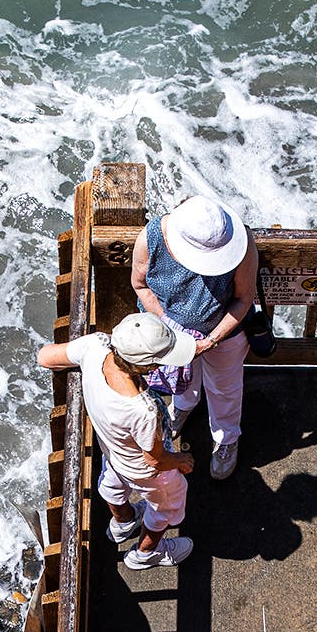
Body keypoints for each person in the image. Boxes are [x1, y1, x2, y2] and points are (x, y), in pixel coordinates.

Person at [37, 312, 197, 570]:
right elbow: (155, 459)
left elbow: (45, 357)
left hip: (112, 451)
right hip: (145, 471)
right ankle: (147, 553)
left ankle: (123, 522)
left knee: (113, 483)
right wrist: (180, 460)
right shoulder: (143, 410)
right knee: (167, 504)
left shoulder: (96, 346)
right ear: (148, 367)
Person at [132, 194, 259, 481]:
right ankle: (183, 408)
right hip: (170, 332)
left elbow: (244, 298)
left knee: (224, 388)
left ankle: (227, 438)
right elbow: (140, 285)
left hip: (224, 334)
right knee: (181, 380)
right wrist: (169, 327)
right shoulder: (151, 236)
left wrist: (212, 339)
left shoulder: (243, 242)